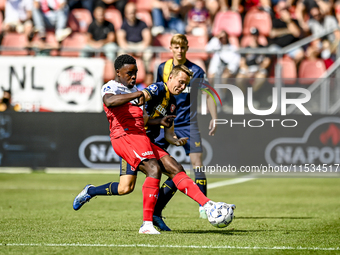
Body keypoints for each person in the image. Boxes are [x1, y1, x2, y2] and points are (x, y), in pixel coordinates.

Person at [73, 55, 234, 234]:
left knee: (162, 173)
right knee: (153, 169)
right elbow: (109, 101)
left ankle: (208, 204)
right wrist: (140, 94)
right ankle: (147, 224)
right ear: (118, 72)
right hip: (125, 137)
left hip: (140, 138)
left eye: (135, 73)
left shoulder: (149, 94)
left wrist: (161, 123)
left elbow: (143, 120)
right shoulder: (113, 87)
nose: (133, 77)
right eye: (129, 73)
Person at [153, 34, 218, 222]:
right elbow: (157, 91)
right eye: (176, 47)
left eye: (183, 47)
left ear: (187, 48)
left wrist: (214, 117)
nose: (179, 50)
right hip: (166, 122)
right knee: (155, 167)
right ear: (171, 48)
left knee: (197, 164)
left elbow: (209, 94)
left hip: (189, 124)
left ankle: (203, 206)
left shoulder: (196, 71)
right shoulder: (162, 68)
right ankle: (156, 207)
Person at [116, 2, 153, 72]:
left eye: (133, 12)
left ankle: (147, 74)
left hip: (140, 45)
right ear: (126, 13)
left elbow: (147, 38)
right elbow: (121, 40)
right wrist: (129, 51)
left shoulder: (142, 23)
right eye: (130, 13)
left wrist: (142, 49)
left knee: (148, 52)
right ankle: (121, 74)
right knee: (120, 53)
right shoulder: (123, 25)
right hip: (128, 46)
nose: (132, 14)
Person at [236, 27, 271, 93]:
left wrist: (258, 70)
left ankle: (253, 94)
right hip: (248, 69)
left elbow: (267, 62)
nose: (254, 37)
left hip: (259, 69)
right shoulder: (246, 49)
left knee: (261, 78)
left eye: (256, 35)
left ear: (258, 36)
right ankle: (245, 96)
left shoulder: (263, 48)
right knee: (239, 79)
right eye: (252, 35)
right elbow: (242, 63)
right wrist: (248, 71)